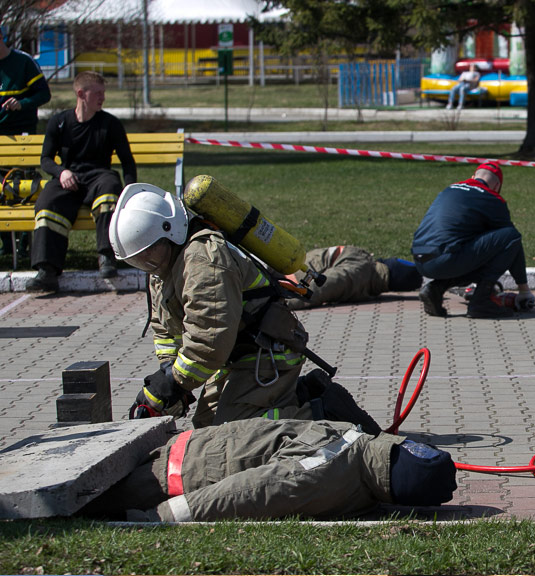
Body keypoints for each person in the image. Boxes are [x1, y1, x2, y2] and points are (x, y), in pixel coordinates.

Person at [109, 182, 321, 428]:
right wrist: (169, 369)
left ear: (170, 233)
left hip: (267, 353)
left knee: (234, 432)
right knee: (207, 429)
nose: (146, 264)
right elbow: (163, 326)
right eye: (137, 260)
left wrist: (173, 382)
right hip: (233, 356)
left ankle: (320, 415)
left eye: (149, 254)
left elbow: (209, 339)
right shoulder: (161, 266)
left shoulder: (204, 262)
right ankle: (296, 396)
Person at [80, 418, 458, 521]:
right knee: (73, 498)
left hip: (181, 459)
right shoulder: (329, 473)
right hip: (178, 471)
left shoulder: (356, 439)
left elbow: (249, 487)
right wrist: (159, 517)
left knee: (76, 495)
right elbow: (252, 489)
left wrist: (157, 514)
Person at [26, 71, 135, 292]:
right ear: (81, 93)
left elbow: (127, 162)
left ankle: (107, 257)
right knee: (47, 203)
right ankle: (47, 271)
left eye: (103, 93)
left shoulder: (110, 124)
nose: (102, 98)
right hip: (70, 178)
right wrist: (61, 172)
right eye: (97, 93)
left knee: (110, 188)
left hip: (99, 176)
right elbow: (45, 160)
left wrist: (131, 192)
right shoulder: (59, 122)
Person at [411, 162, 535, 319]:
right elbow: (512, 241)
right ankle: (481, 302)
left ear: (473, 177)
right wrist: (524, 290)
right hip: (446, 259)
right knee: (511, 235)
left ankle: (435, 289)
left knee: (470, 250)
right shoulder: (492, 198)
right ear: (497, 186)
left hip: (420, 260)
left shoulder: (449, 189)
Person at [0, 29, 51, 259]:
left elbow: (44, 94)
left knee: (22, 187)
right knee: (2, 189)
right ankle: (6, 243)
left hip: (22, 136)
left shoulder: (23, 62)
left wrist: (22, 103)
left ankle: (24, 244)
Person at [280, 245, 422, 310]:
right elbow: (320, 289)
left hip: (278, 274)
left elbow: (320, 288)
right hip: (280, 274)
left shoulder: (357, 272)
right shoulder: (358, 273)